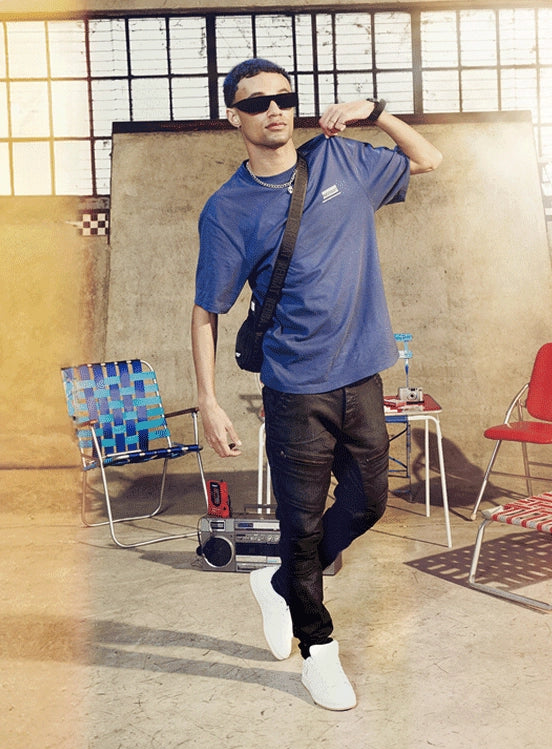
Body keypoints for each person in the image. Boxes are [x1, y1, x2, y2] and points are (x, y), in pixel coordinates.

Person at [192, 58, 442, 711]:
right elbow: (206, 310)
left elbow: (428, 159)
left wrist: (376, 111)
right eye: (256, 102)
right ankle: (319, 653)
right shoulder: (227, 209)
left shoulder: (341, 160)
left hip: (362, 374)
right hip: (295, 388)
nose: (274, 109)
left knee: (368, 503)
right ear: (234, 117)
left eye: (283, 97)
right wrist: (209, 400)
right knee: (301, 528)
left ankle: (278, 583)